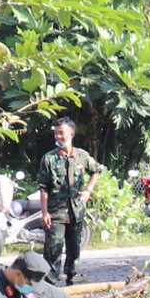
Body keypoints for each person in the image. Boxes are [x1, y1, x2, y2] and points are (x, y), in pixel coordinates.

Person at [37, 116, 101, 286]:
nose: (58, 137)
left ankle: (72, 279)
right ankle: (50, 284)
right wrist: (44, 213)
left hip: (76, 211)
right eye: (56, 133)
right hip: (56, 213)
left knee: (74, 248)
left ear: (71, 134)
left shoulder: (82, 156)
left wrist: (88, 190)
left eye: (61, 133)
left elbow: (96, 170)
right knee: (53, 249)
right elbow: (43, 188)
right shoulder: (49, 159)